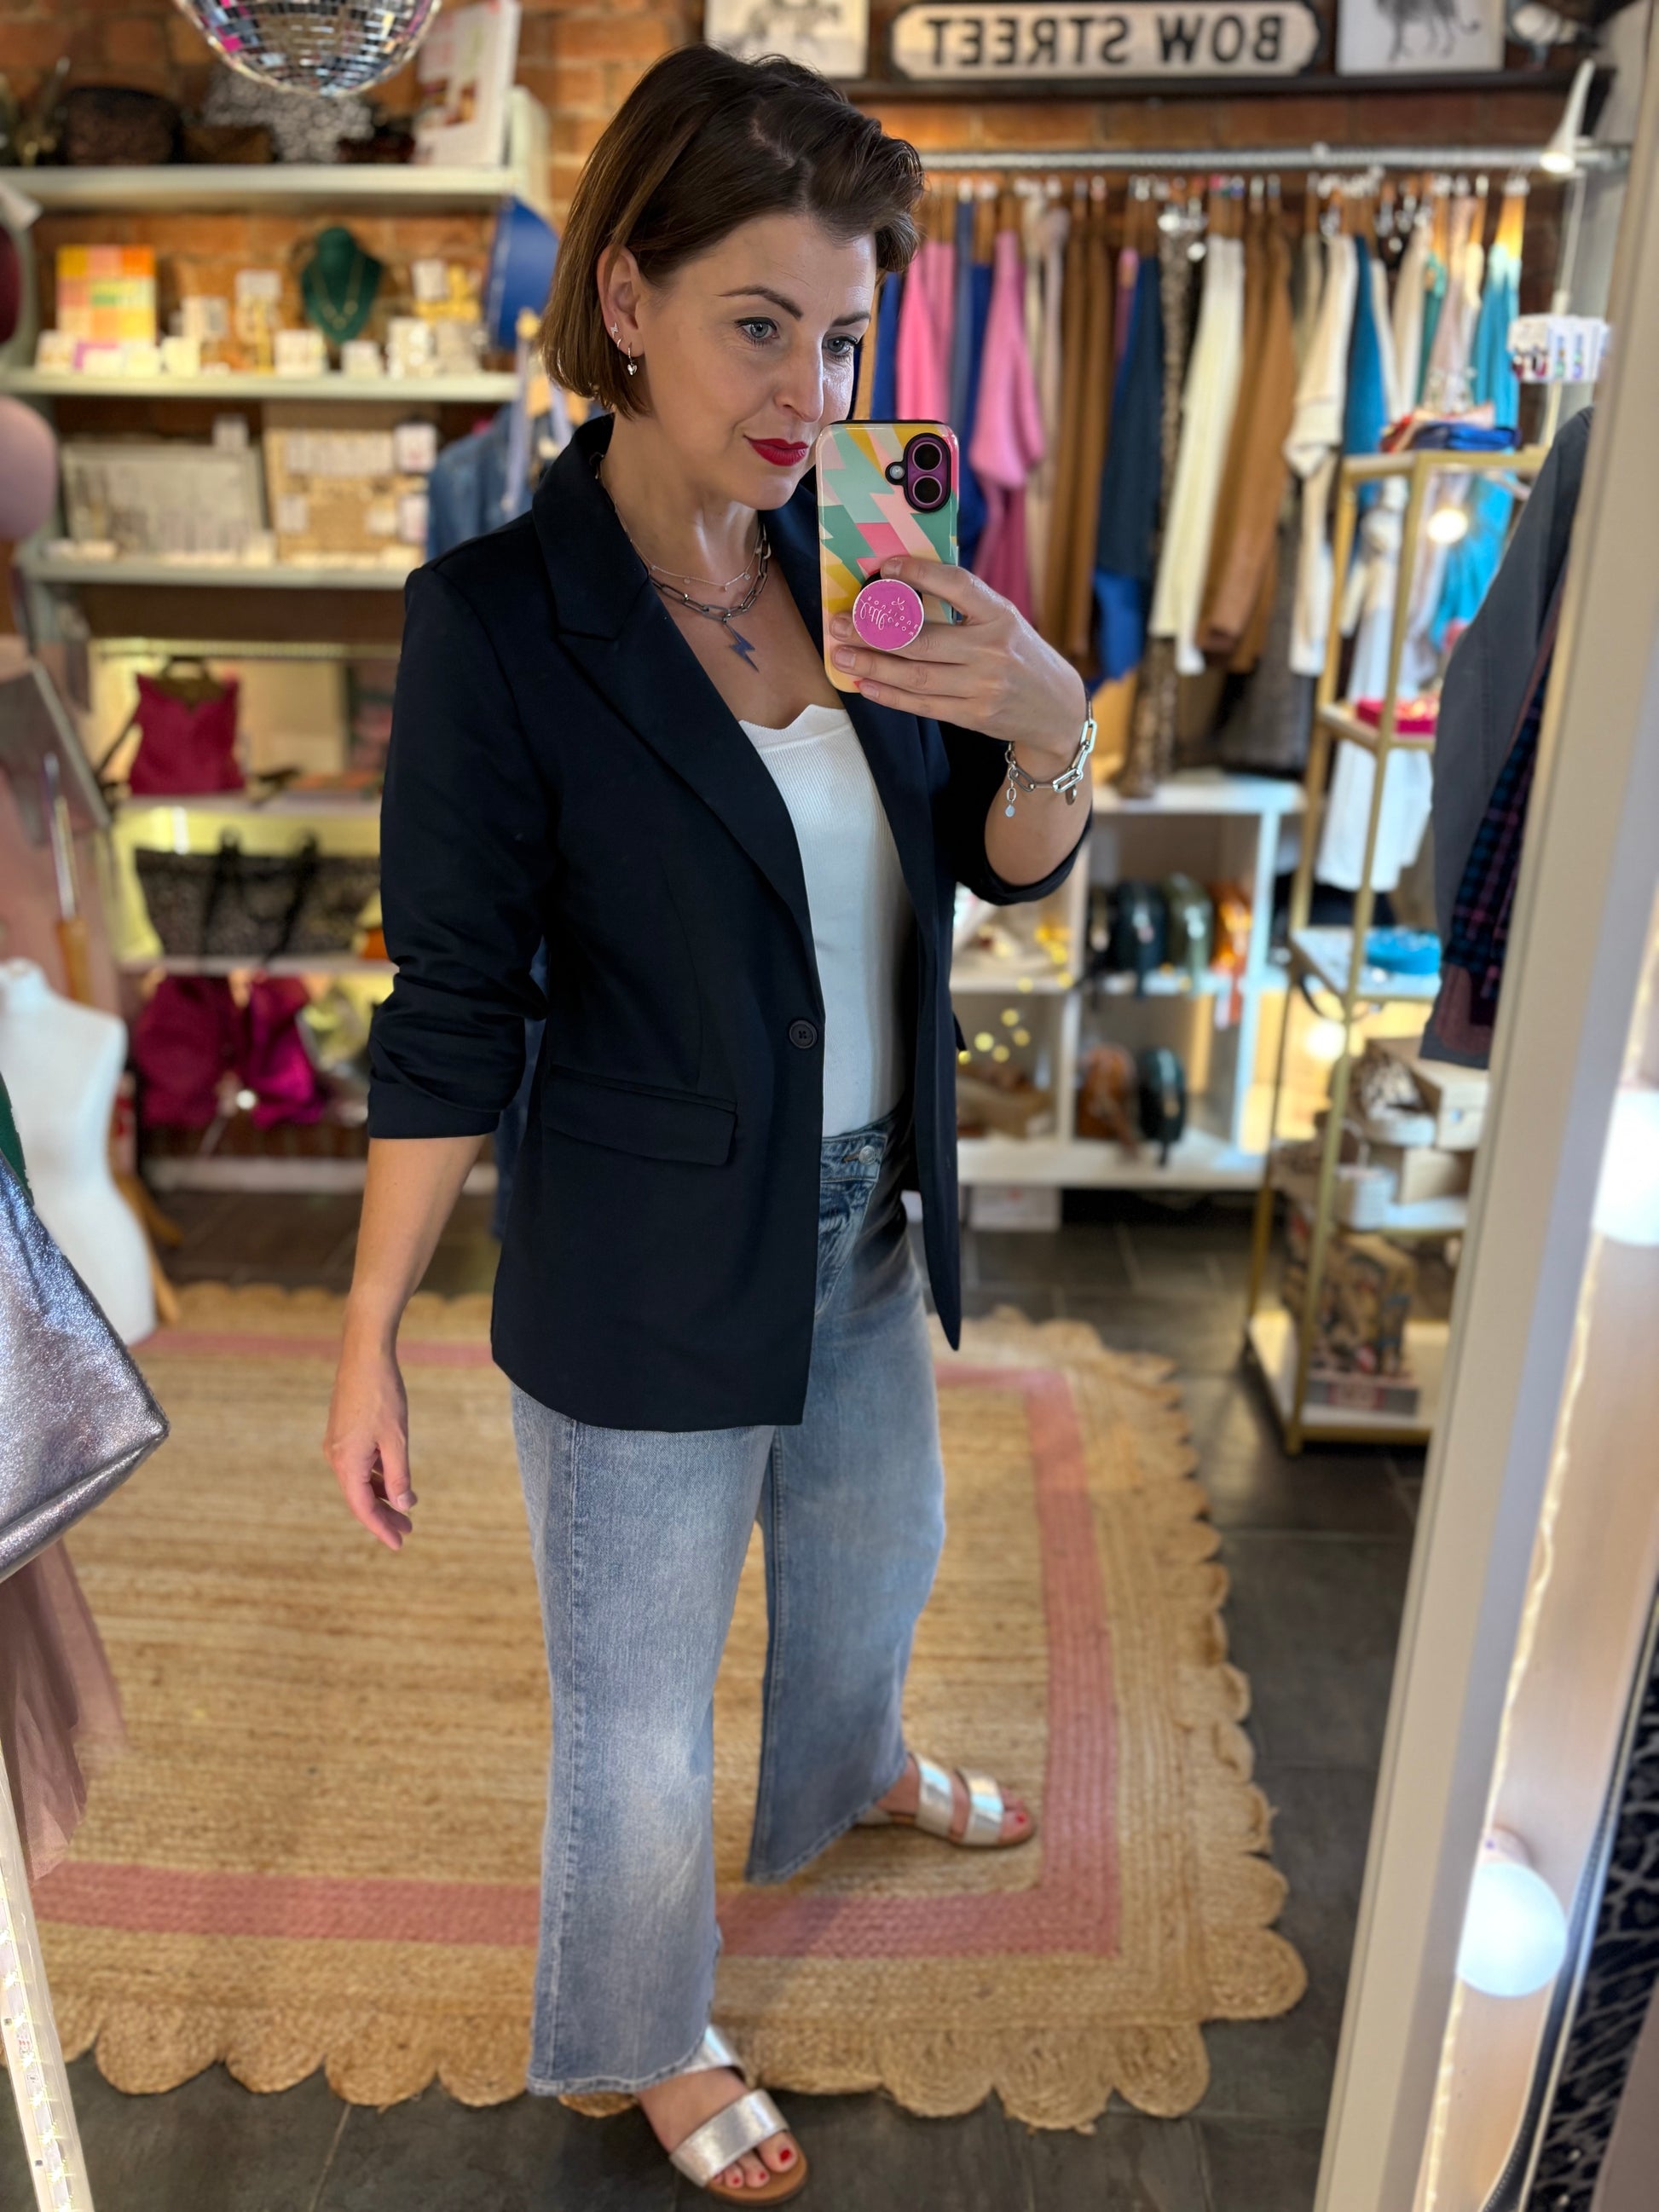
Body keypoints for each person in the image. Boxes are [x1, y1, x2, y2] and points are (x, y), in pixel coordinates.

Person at [325, 47, 1093, 2203]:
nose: (803, 383)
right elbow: (452, 1003)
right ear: (630, 295)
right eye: (760, 322)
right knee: (639, 1720)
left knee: (876, 1558)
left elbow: (989, 867)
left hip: (859, 1228)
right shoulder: (501, 629)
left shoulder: (870, 563)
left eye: (841, 337)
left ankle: (845, 1766)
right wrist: (371, 1322)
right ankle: (644, 2031)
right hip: (648, 1265)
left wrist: (1048, 730)